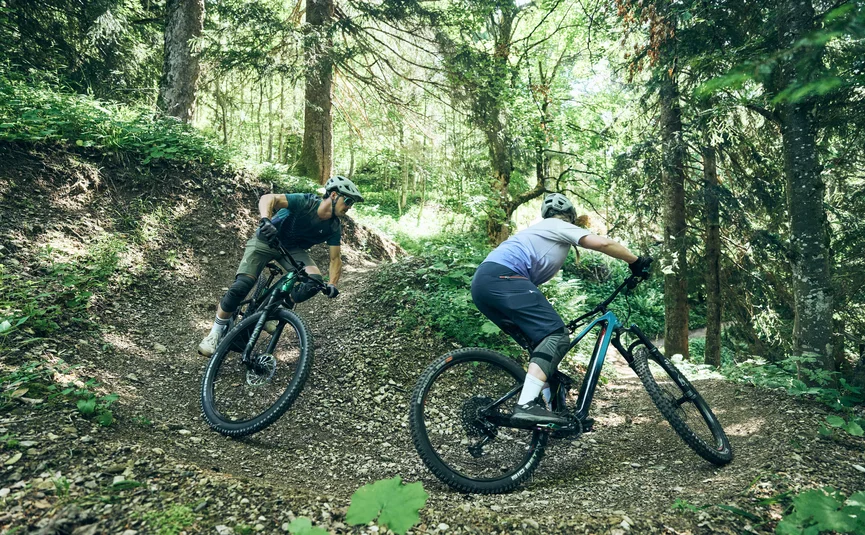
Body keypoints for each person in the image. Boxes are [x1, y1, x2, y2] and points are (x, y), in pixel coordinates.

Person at [470, 193, 651, 426]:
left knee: (542, 348)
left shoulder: (537, 233)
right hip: (502, 277)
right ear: (570, 218)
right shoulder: (557, 225)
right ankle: (526, 405)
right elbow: (603, 243)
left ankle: (554, 418)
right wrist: (635, 262)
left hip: (485, 285)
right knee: (556, 335)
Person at [197, 175, 364, 357]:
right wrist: (266, 220)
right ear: (333, 195)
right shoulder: (306, 202)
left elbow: (335, 259)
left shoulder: (333, 226)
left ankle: (272, 310)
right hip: (266, 240)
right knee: (241, 286)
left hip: (292, 249)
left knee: (314, 281)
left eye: (351, 203)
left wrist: (332, 283)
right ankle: (214, 333)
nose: (349, 206)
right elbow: (268, 198)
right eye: (347, 200)